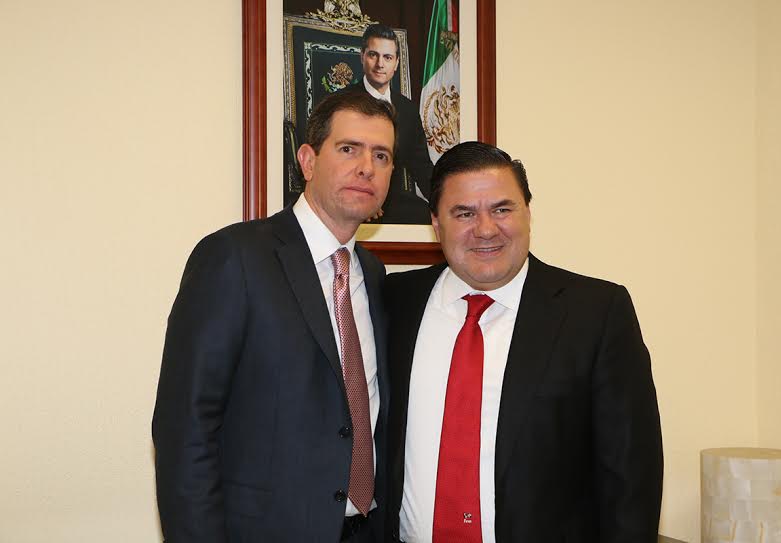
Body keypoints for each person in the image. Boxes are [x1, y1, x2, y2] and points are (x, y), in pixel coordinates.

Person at [385, 141, 663, 542]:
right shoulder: (394, 301)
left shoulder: (596, 313)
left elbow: (631, 479)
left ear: (528, 213)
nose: (486, 229)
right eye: (464, 213)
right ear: (436, 223)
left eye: (502, 209)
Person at [152, 90, 395, 543]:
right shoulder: (234, 258)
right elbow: (185, 428)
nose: (367, 167)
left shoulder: (375, 274)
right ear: (308, 160)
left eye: (381, 155)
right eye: (348, 149)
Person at [355, 23, 434, 225]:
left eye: (388, 57)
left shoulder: (407, 109)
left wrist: (445, 203)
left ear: (397, 63)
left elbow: (422, 167)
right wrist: (363, 197)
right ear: (362, 56)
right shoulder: (341, 103)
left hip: (394, 201)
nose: (380, 64)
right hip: (353, 194)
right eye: (373, 55)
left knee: (436, 221)